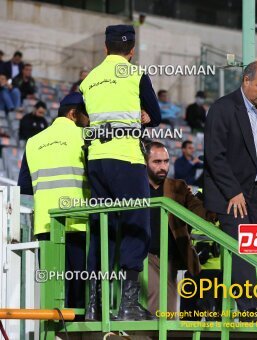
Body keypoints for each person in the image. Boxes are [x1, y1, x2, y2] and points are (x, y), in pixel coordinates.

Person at [80, 24, 161, 322]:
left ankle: (94, 305)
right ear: (131, 50)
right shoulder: (136, 74)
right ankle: (127, 305)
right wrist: (144, 117)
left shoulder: (89, 80)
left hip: (97, 159)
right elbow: (156, 116)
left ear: (105, 48)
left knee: (103, 230)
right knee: (137, 225)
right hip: (126, 157)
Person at [204, 60, 257, 322]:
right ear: (245, 81)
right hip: (232, 195)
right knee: (240, 249)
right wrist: (233, 191)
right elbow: (214, 155)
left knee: (253, 249)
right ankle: (249, 310)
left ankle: (250, 308)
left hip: (256, 193)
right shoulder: (222, 108)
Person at [17, 92, 90, 309]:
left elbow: (25, 186)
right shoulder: (85, 137)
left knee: (52, 289)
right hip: (78, 222)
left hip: (45, 226)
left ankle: (53, 332)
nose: (90, 121)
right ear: (74, 114)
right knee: (78, 291)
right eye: (87, 116)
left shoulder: (33, 141)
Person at [144, 141, 215, 316]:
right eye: (157, 162)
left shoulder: (178, 186)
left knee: (169, 311)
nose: (163, 167)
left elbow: (198, 209)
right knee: (156, 304)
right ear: (145, 163)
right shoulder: (136, 186)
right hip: (145, 255)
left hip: (172, 256)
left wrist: (216, 208)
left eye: (166, 161)